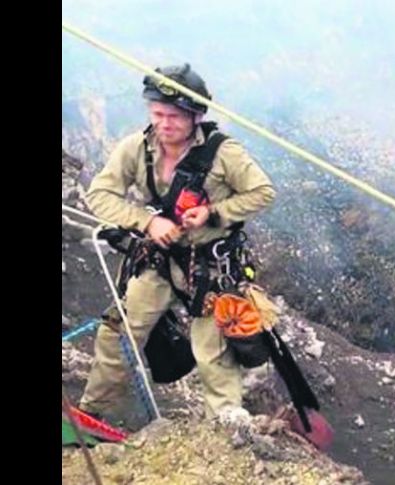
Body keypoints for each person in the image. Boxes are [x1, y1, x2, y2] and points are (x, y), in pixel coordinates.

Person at [79, 63, 276, 419]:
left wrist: (213, 212)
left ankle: (227, 431)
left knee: (213, 354)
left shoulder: (223, 153)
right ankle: (91, 418)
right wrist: (148, 221)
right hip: (158, 259)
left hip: (211, 268)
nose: (165, 123)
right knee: (119, 333)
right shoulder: (136, 149)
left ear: (196, 116)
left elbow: (262, 192)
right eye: (158, 114)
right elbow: (100, 194)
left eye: (175, 116)